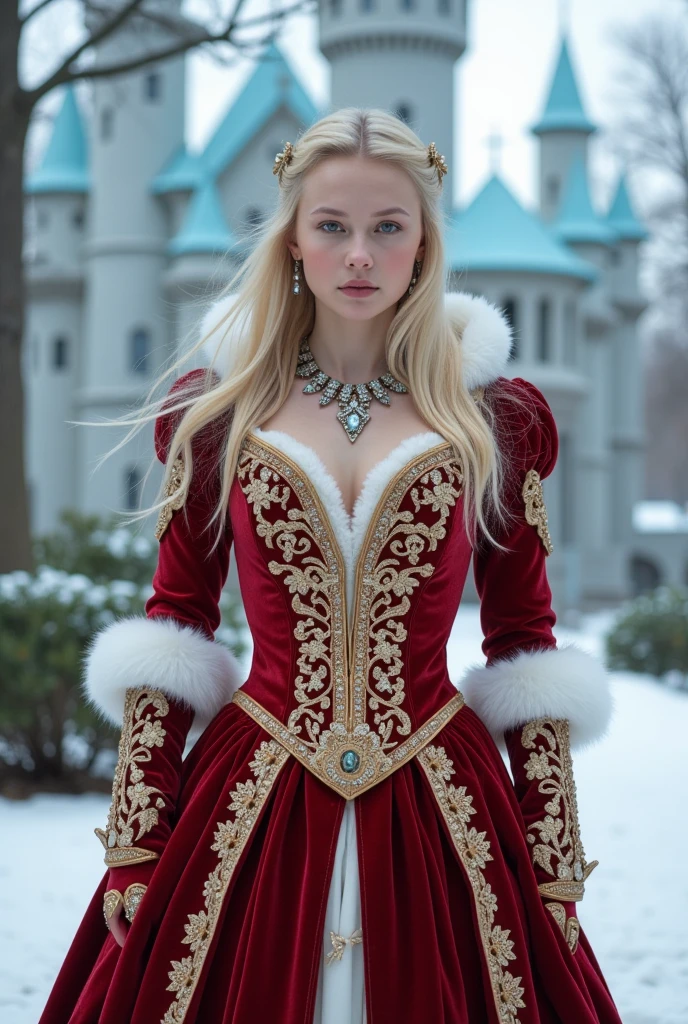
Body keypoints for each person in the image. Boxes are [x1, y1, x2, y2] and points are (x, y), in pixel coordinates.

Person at [39, 107, 623, 1024]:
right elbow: (176, 619)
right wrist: (140, 835)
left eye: (388, 227)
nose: (360, 254)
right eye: (333, 227)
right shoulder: (220, 416)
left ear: (424, 244)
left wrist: (549, 851)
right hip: (252, 795)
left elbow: (524, 642)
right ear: (294, 243)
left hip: (441, 800)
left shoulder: (495, 422)